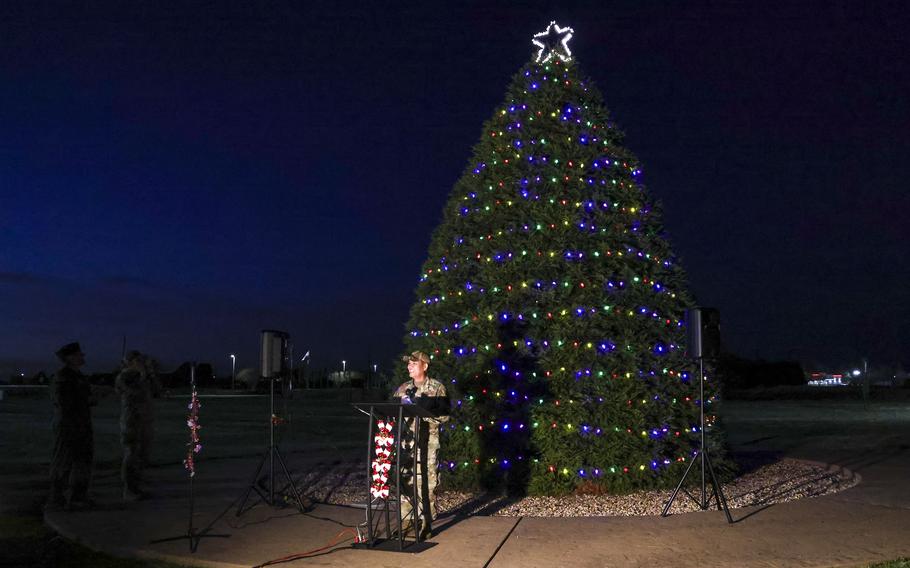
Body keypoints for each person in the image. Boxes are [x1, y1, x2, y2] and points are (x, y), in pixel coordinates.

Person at [393, 351, 450, 539]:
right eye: (408, 363)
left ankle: (426, 521)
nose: (409, 366)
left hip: (428, 443)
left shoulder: (436, 388)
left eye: (414, 363)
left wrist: (421, 411)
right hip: (406, 444)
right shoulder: (403, 389)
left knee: (426, 481)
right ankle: (406, 520)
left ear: (425, 366)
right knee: (406, 480)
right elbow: (392, 411)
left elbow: (444, 415)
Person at [47, 342, 96, 511]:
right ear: (69, 358)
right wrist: (86, 400)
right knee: (63, 461)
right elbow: (63, 402)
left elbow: (87, 397)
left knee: (83, 461)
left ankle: (78, 496)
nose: (82, 357)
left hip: (82, 424)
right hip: (68, 426)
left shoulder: (79, 376)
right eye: (78, 355)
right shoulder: (62, 377)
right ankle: (56, 498)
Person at [115, 350, 155, 501]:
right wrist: (144, 374)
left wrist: (149, 373)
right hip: (131, 420)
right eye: (139, 360)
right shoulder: (125, 377)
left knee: (141, 455)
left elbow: (156, 390)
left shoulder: (141, 376)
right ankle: (129, 489)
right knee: (131, 453)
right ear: (131, 361)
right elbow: (133, 393)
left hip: (143, 420)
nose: (142, 362)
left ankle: (136, 486)